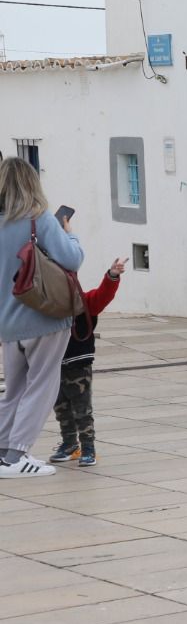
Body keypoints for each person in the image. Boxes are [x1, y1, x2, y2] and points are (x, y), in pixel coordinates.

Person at [0, 158, 84, 477]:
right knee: (42, 385)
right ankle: (18, 455)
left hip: (8, 323)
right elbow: (71, 259)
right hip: (44, 317)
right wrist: (71, 234)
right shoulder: (39, 218)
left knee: (15, 388)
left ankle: (3, 453)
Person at [48, 257, 126, 468]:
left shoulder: (85, 303)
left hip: (78, 365)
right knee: (61, 408)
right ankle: (69, 443)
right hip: (55, 365)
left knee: (82, 410)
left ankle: (88, 447)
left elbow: (103, 294)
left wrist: (112, 275)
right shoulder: (49, 307)